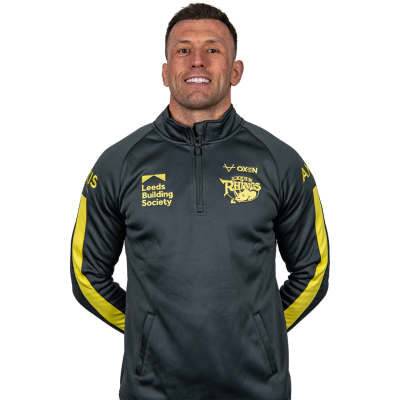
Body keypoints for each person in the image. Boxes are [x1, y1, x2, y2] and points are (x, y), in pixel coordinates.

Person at [69, 2, 330, 400]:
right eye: (183, 49)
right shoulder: (116, 164)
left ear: (236, 71)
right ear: (164, 72)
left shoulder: (282, 162)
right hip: (152, 391)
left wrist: (260, 332)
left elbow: (314, 270)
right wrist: (147, 332)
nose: (197, 60)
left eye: (212, 48)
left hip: (257, 389)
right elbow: (87, 274)